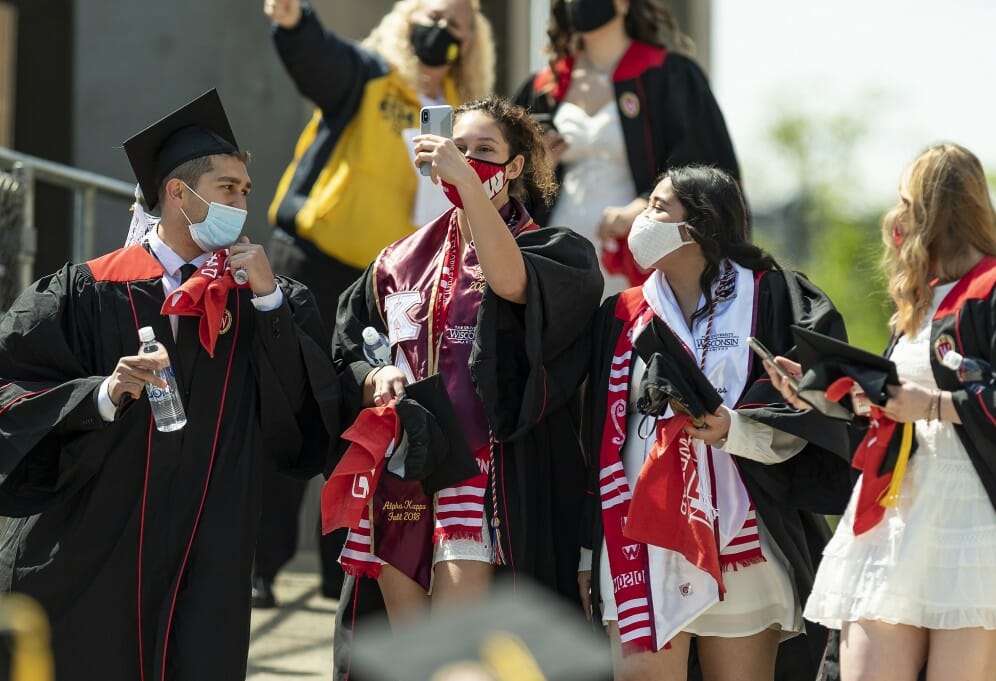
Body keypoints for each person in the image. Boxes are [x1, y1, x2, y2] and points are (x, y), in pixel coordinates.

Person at [0, 90, 338, 680]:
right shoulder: (89, 291)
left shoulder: (262, 298)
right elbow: (10, 381)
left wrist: (269, 301)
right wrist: (102, 395)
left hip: (211, 551)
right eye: (227, 189)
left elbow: (303, 413)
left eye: (245, 191)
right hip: (101, 544)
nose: (241, 203)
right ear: (179, 195)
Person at [258, 0, 496, 606]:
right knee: (290, 407)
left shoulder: (465, 120)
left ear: (473, 45)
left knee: (368, 419)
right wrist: (295, 22)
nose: (442, 32)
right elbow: (322, 62)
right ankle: (263, 564)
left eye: (458, 27)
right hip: (315, 261)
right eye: (434, 16)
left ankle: (341, 569)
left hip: (395, 286)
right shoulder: (368, 75)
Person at [331, 97, 602, 626]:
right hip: (401, 471)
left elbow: (513, 283)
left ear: (515, 166)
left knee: (455, 645)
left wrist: (471, 187)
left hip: (480, 474)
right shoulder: (397, 261)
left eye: (484, 150)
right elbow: (348, 352)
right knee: (413, 656)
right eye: (458, 147)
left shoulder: (553, 248)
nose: (468, 158)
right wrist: (375, 375)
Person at [583, 165, 853, 680]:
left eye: (659, 207)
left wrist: (735, 427)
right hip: (640, 538)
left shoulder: (773, 296)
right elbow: (595, 437)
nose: (643, 218)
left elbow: (819, 400)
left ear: (700, 225)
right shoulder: (622, 314)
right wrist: (583, 546)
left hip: (742, 535)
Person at [766, 143, 996, 681]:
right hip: (894, 512)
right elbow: (889, 411)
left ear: (936, 208)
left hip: (974, 522)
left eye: (905, 200)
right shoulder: (918, 300)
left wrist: (933, 404)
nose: (894, 215)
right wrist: (819, 391)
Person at [514, 0, 741, 294]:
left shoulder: (668, 75)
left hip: (639, 249)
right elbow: (509, 172)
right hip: (561, 249)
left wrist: (643, 206)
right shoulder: (544, 87)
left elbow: (702, 163)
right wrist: (538, 166)